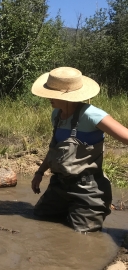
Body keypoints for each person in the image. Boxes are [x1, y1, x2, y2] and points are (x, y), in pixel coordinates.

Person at [30, 67, 128, 232]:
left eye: (52, 94)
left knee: (81, 237)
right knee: (41, 219)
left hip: (88, 190)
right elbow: (55, 148)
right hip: (59, 185)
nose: (48, 98)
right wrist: (39, 173)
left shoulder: (92, 115)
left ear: (67, 97)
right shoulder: (56, 115)